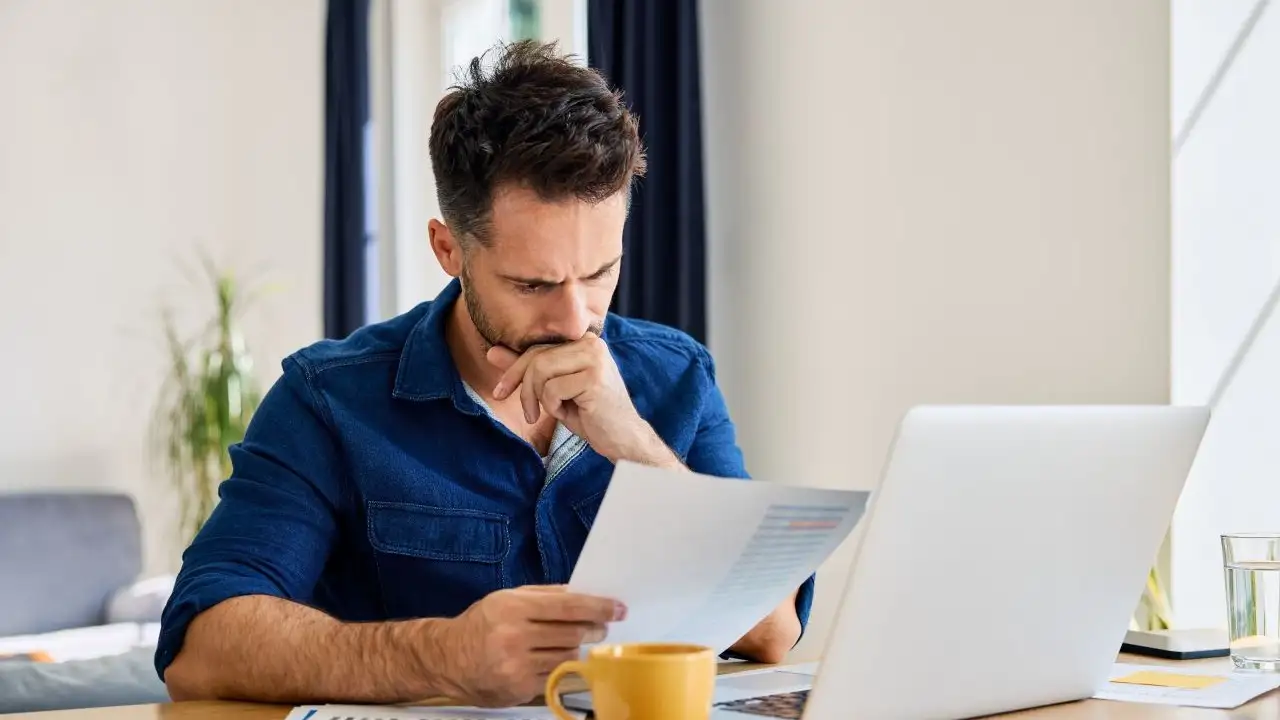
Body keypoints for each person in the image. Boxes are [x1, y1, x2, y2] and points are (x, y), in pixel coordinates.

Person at [156, 39, 814, 708]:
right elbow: (199, 645)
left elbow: (771, 631)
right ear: (449, 249)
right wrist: (441, 655)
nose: (574, 318)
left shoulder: (675, 376)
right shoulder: (329, 401)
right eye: (531, 283)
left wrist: (638, 450)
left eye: (599, 273)